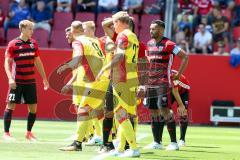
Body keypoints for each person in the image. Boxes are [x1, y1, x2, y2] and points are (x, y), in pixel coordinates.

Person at [58, 20, 108, 151]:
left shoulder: (78, 41)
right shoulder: (93, 40)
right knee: (98, 112)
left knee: (83, 109)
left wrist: (67, 65)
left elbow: (78, 58)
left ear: (74, 31)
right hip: (102, 78)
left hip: (95, 80)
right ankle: (108, 141)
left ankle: (78, 143)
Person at [140, 20, 188, 151]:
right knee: (153, 111)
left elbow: (185, 57)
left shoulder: (170, 44)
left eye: (154, 29)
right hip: (150, 84)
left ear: (161, 30)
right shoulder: (148, 44)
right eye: (150, 28)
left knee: (165, 110)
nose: (151, 31)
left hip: (163, 83)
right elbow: (145, 64)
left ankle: (174, 143)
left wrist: (178, 74)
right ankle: (157, 142)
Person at [97, 11, 140, 157]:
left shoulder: (123, 35)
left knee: (120, 114)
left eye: (114, 23)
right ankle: (121, 148)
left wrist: (105, 67)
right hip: (132, 78)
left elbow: (120, 55)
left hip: (122, 78)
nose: (113, 26)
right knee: (124, 115)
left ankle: (134, 148)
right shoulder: (133, 36)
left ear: (120, 22)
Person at [3, 20, 49, 141]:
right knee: (10, 106)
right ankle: (6, 134)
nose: (32, 31)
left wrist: (44, 78)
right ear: (22, 29)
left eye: (32, 29)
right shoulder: (13, 44)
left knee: (33, 108)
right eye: (30, 29)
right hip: (16, 81)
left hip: (30, 81)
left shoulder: (33, 44)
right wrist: (10, 78)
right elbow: (6, 63)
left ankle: (28, 133)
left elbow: (38, 62)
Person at [170, 70, 190, 147]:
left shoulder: (173, 76)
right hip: (171, 90)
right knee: (164, 110)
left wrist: (181, 105)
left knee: (183, 113)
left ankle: (182, 139)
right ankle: (158, 140)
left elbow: (175, 91)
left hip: (183, 91)